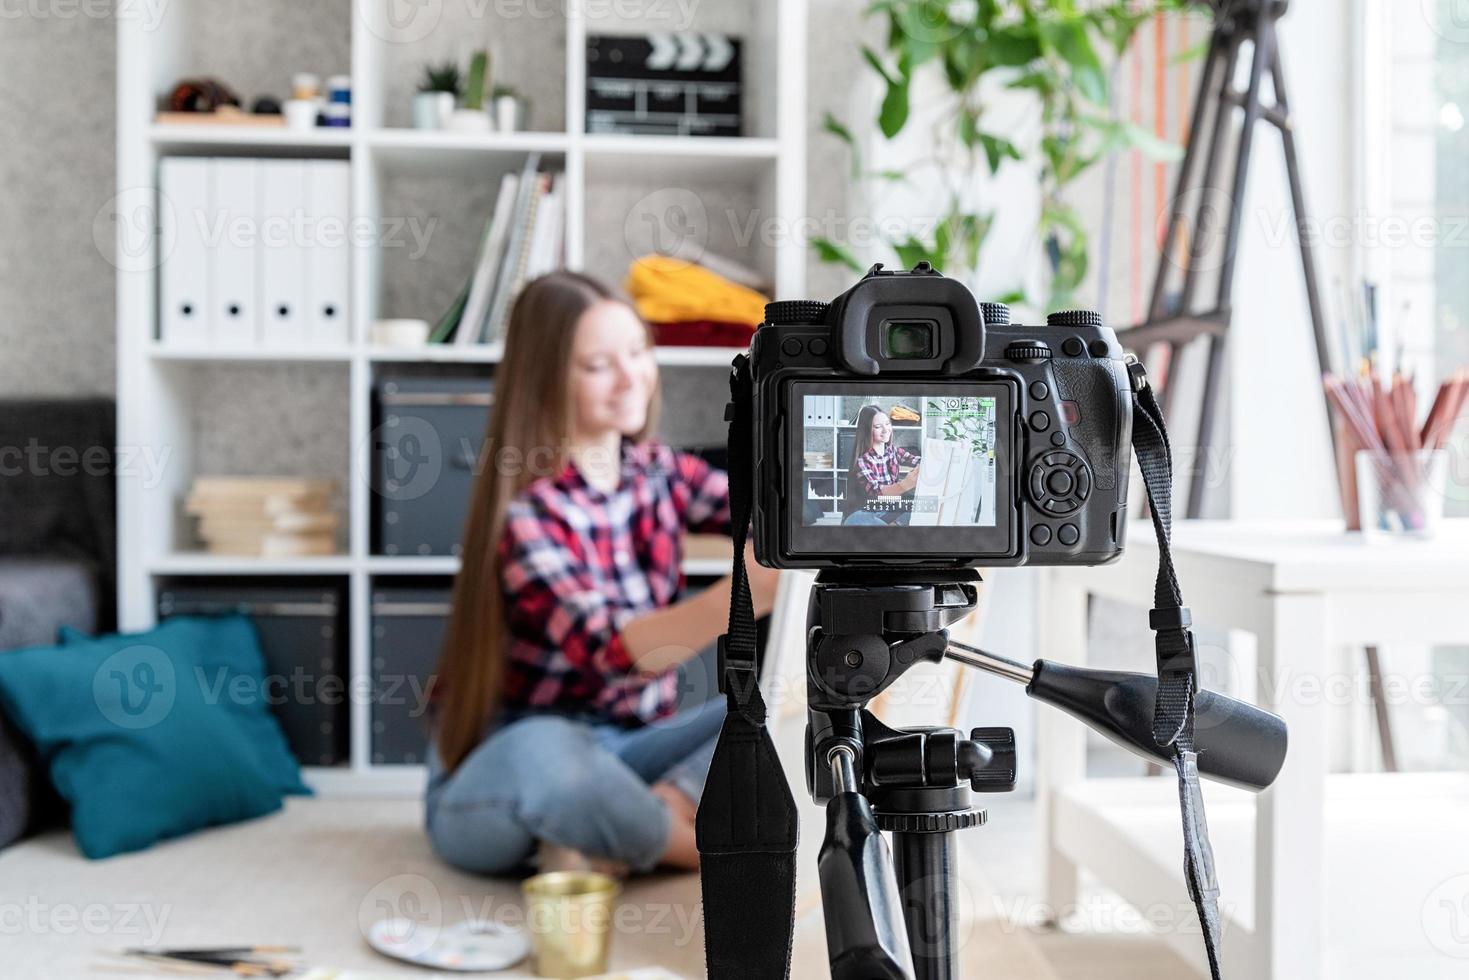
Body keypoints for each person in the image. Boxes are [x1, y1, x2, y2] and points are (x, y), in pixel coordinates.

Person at [425, 271, 781, 877]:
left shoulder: (658, 471)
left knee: (777, 706)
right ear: (547, 380)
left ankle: (614, 834)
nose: (630, 377)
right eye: (598, 365)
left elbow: (764, 513)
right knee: (550, 755)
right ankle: (690, 846)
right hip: (517, 765)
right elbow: (614, 651)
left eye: (638, 352)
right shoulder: (527, 515)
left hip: (632, 749)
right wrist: (747, 594)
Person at [841, 405, 920, 526]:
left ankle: (891, 523)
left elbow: (916, 460)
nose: (885, 429)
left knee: (916, 505)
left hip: (884, 509)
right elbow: (877, 493)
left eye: (887, 424)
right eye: (878, 427)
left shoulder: (892, 451)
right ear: (867, 431)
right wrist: (905, 485)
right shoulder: (862, 461)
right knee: (861, 520)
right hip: (862, 512)